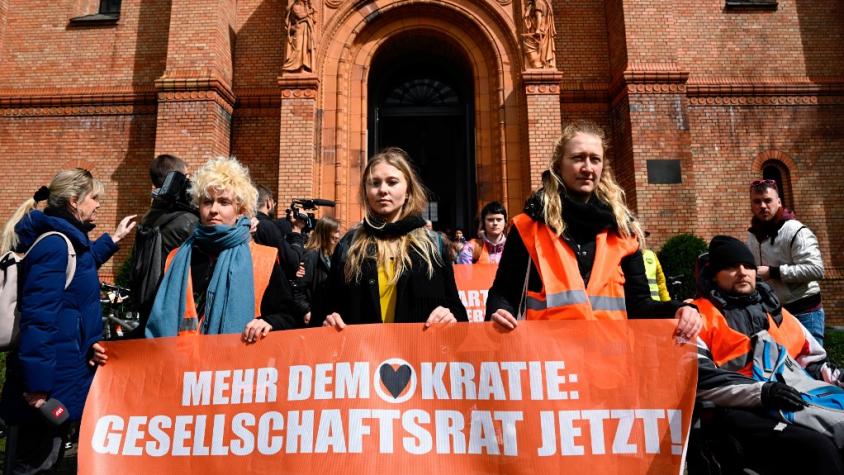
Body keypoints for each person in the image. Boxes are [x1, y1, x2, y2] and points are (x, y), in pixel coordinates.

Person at [486, 120, 700, 340]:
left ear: (602, 167)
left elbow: (639, 306)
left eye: (594, 159)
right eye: (578, 158)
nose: (587, 168)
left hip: (608, 362)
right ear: (559, 165)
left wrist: (677, 309)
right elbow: (503, 292)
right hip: (550, 362)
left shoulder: (624, 233)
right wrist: (499, 311)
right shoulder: (527, 227)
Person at [0, 169, 136, 473]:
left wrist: (113, 239)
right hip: (46, 387)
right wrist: (37, 388)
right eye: (94, 198)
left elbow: (80, 270)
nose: (98, 205)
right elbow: (39, 319)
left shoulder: (69, 243)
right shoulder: (56, 245)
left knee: (50, 461)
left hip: (61, 376)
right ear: (74, 201)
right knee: (35, 464)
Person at [693, 235, 844, 474]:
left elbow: (811, 361)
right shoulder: (697, 315)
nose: (742, 272)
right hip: (736, 409)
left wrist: (838, 377)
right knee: (818, 448)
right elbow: (700, 379)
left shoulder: (777, 311)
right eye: (731, 267)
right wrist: (763, 392)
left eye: (748, 266)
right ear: (714, 275)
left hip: (793, 397)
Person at [145, 157, 300, 342]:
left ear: (240, 210)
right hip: (179, 366)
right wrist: (113, 351)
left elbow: (290, 318)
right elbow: (151, 319)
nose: (214, 210)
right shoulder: (176, 257)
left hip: (234, 366)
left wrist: (269, 322)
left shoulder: (262, 259)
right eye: (207, 201)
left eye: (224, 202)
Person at [315, 148, 468, 328]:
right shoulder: (348, 245)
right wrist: (328, 321)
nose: (383, 190)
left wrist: (450, 317)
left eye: (392, 182)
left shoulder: (434, 245)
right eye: (375, 183)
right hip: (363, 353)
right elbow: (322, 310)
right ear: (366, 191)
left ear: (408, 191)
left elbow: (458, 312)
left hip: (416, 353)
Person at [747, 179, 826, 346]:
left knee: (810, 369)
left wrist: (773, 272)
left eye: (767, 200)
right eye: (757, 201)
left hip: (805, 314)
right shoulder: (753, 235)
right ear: (751, 205)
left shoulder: (796, 230)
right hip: (774, 314)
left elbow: (816, 269)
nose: (762, 206)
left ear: (779, 201)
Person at [129, 154, 199, 337]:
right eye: (187, 176)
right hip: (176, 307)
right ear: (178, 180)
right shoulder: (189, 221)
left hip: (148, 301)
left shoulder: (148, 217)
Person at [292, 216, 340, 325]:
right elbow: (299, 288)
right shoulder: (311, 256)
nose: (338, 236)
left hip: (328, 315)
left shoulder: (332, 255)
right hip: (315, 317)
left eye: (339, 232)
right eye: (335, 232)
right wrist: (305, 311)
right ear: (325, 233)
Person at [642, 231, 670, 302]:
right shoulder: (627, 256)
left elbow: (661, 282)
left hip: (655, 304)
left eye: (643, 237)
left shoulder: (651, 255)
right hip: (637, 306)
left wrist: (667, 302)